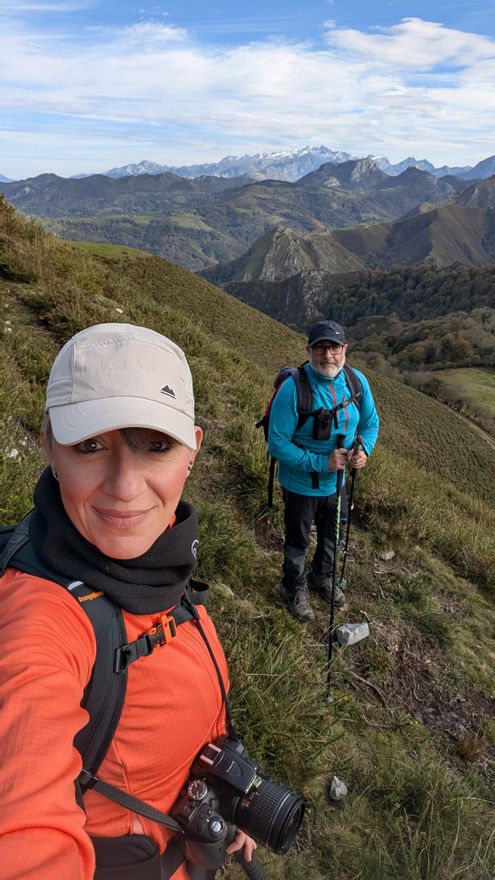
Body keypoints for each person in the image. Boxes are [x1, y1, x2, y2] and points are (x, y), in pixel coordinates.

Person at [0, 323, 256, 879]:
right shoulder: (41, 620)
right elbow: (23, 835)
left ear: (192, 451)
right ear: (48, 445)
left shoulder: (154, 562)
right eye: (90, 446)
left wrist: (219, 797)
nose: (124, 486)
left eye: (156, 446)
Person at [268, 319, 379, 622]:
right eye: (319, 348)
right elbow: (276, 443)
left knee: (333, 534)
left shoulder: (357, 383)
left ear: (345, 349)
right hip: (300, 484)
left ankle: (323, 576)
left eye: (333, 347)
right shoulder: (294, 389)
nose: (327, 355)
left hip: (338, 482)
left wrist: (363, 450)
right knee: (297, 539)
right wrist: (321, 462)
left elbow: (370, 424)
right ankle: (293, 586)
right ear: (309, 350)